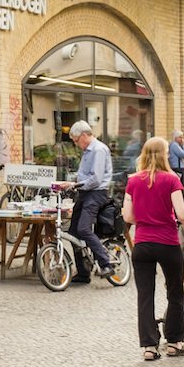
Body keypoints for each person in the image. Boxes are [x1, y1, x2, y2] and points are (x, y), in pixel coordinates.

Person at [121, 137, 184, 361]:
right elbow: (182, 215)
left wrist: (145, 219)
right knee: (175, 291)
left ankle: (149, 347)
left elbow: (127, 216)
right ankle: (174, 341)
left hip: (142, 244)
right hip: (167, 243)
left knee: (145, 295)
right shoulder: (172, 180)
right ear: (165, 155)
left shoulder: (133, 181)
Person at [64, 120, 115, 281]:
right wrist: (70, 182)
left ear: (85, 135)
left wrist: (75, 184)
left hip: (96, 193)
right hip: (85, 192)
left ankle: (106, 263)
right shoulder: (87, 151)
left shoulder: (98, 150)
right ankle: (83, 272)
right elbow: (83, 175)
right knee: (72, 232)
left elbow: (96, 179)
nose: (76, 143)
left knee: (84, 229)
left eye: (76, 140)